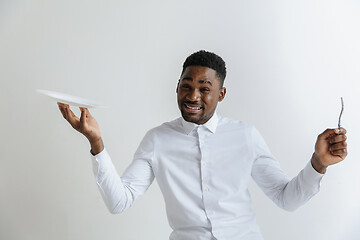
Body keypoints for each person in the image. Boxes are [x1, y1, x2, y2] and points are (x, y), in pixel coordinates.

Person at [57, 50, 347, 240]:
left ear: (220, 94)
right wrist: (96, 142)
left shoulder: (245, 135)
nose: (193, 96)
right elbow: (119, 202)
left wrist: (318, 163)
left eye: (204, 89)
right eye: (186, 85)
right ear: (177, 87)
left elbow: (287, 199)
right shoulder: (157, 140)